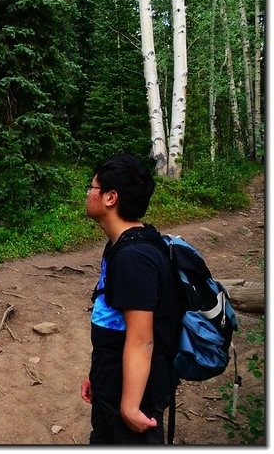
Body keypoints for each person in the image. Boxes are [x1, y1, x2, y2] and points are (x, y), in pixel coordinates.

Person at [80, 153, 178, 444]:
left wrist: (131, 406)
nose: (87, 193)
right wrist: (96, 375)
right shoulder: (122, 243)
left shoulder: (135, 256)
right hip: (111, 377)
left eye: (92, 186)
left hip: (135, 389)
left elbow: (141, 338)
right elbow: (111, 318)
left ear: (110, 198)